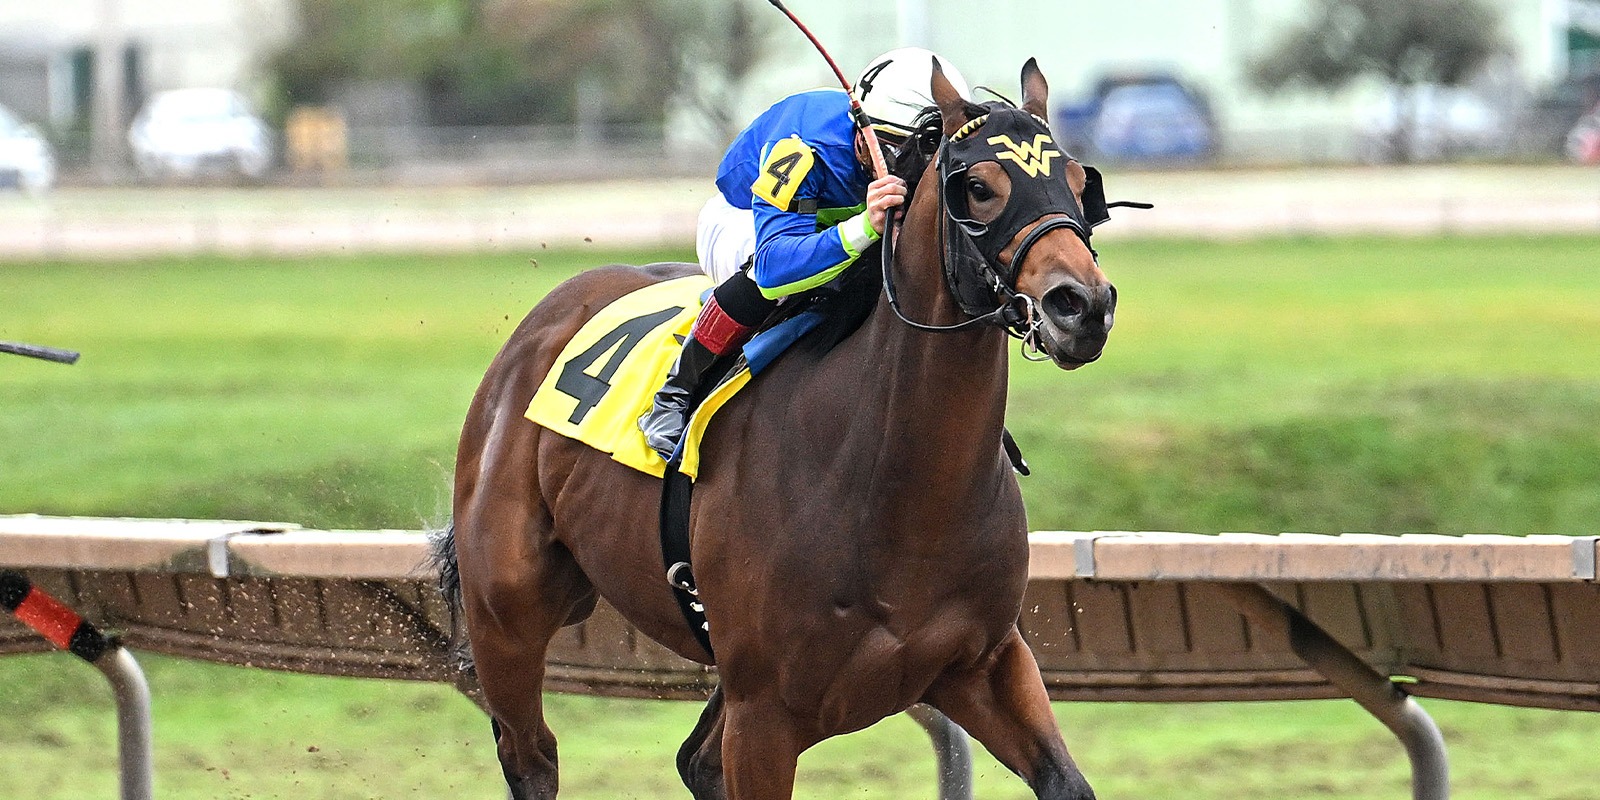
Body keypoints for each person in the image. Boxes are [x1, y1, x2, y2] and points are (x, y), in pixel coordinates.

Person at [640, 47, 971, 458]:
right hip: (746, 220)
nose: (909, 167)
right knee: (797, 282)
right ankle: (673, 396)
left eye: (926, 154)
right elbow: (774, 266)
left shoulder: (908, 145)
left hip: (830, 220)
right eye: (893, 150)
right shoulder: (801, 149)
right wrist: (864, 227)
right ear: (861, 131)